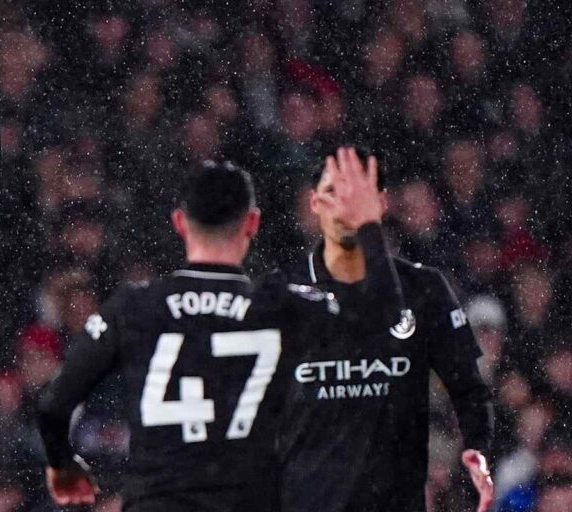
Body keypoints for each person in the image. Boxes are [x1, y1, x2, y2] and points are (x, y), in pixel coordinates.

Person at [37, 149, 404, 511]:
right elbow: (386, 324)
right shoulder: (281, 307)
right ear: (252, 224)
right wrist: (367, 226)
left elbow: (54, 405)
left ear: (180, 222)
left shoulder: (134, 307)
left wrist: (62, 463)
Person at [276, 147, 495, 512]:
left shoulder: (424, 289)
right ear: (313, 203)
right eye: (333, 193)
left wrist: (478, 446)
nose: (346, 208)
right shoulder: (281, 294)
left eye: (357, 196)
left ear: (381, 203)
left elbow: (469, 389)